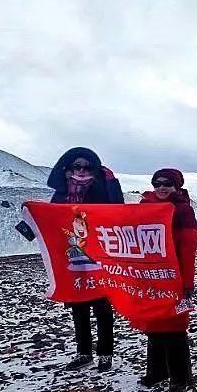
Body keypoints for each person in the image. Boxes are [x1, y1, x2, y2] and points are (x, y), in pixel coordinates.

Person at [47, 147, 123, 372]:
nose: (81, 171)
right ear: (67, 170)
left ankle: (105, 354)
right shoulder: (61, 195)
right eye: (76, 167)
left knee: (102, 306)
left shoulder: (101, 191)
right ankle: (83, 353)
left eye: (87, 167)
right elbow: (49, 219)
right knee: (78, 305)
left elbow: (118, 210)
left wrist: (112, 182)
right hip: (71, 257)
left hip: (99, 256)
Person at [134, 169, 197, 392]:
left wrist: (187, 283)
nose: (162, 188)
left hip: (174, 277)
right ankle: (157, 371)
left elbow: (188, 249)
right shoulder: (144, 207)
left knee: (175, 328)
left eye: (168, 184)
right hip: (150, 277)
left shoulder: (183, 211)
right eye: (157, 183)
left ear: (177, 186)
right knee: (154, 325)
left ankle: (180, 376)